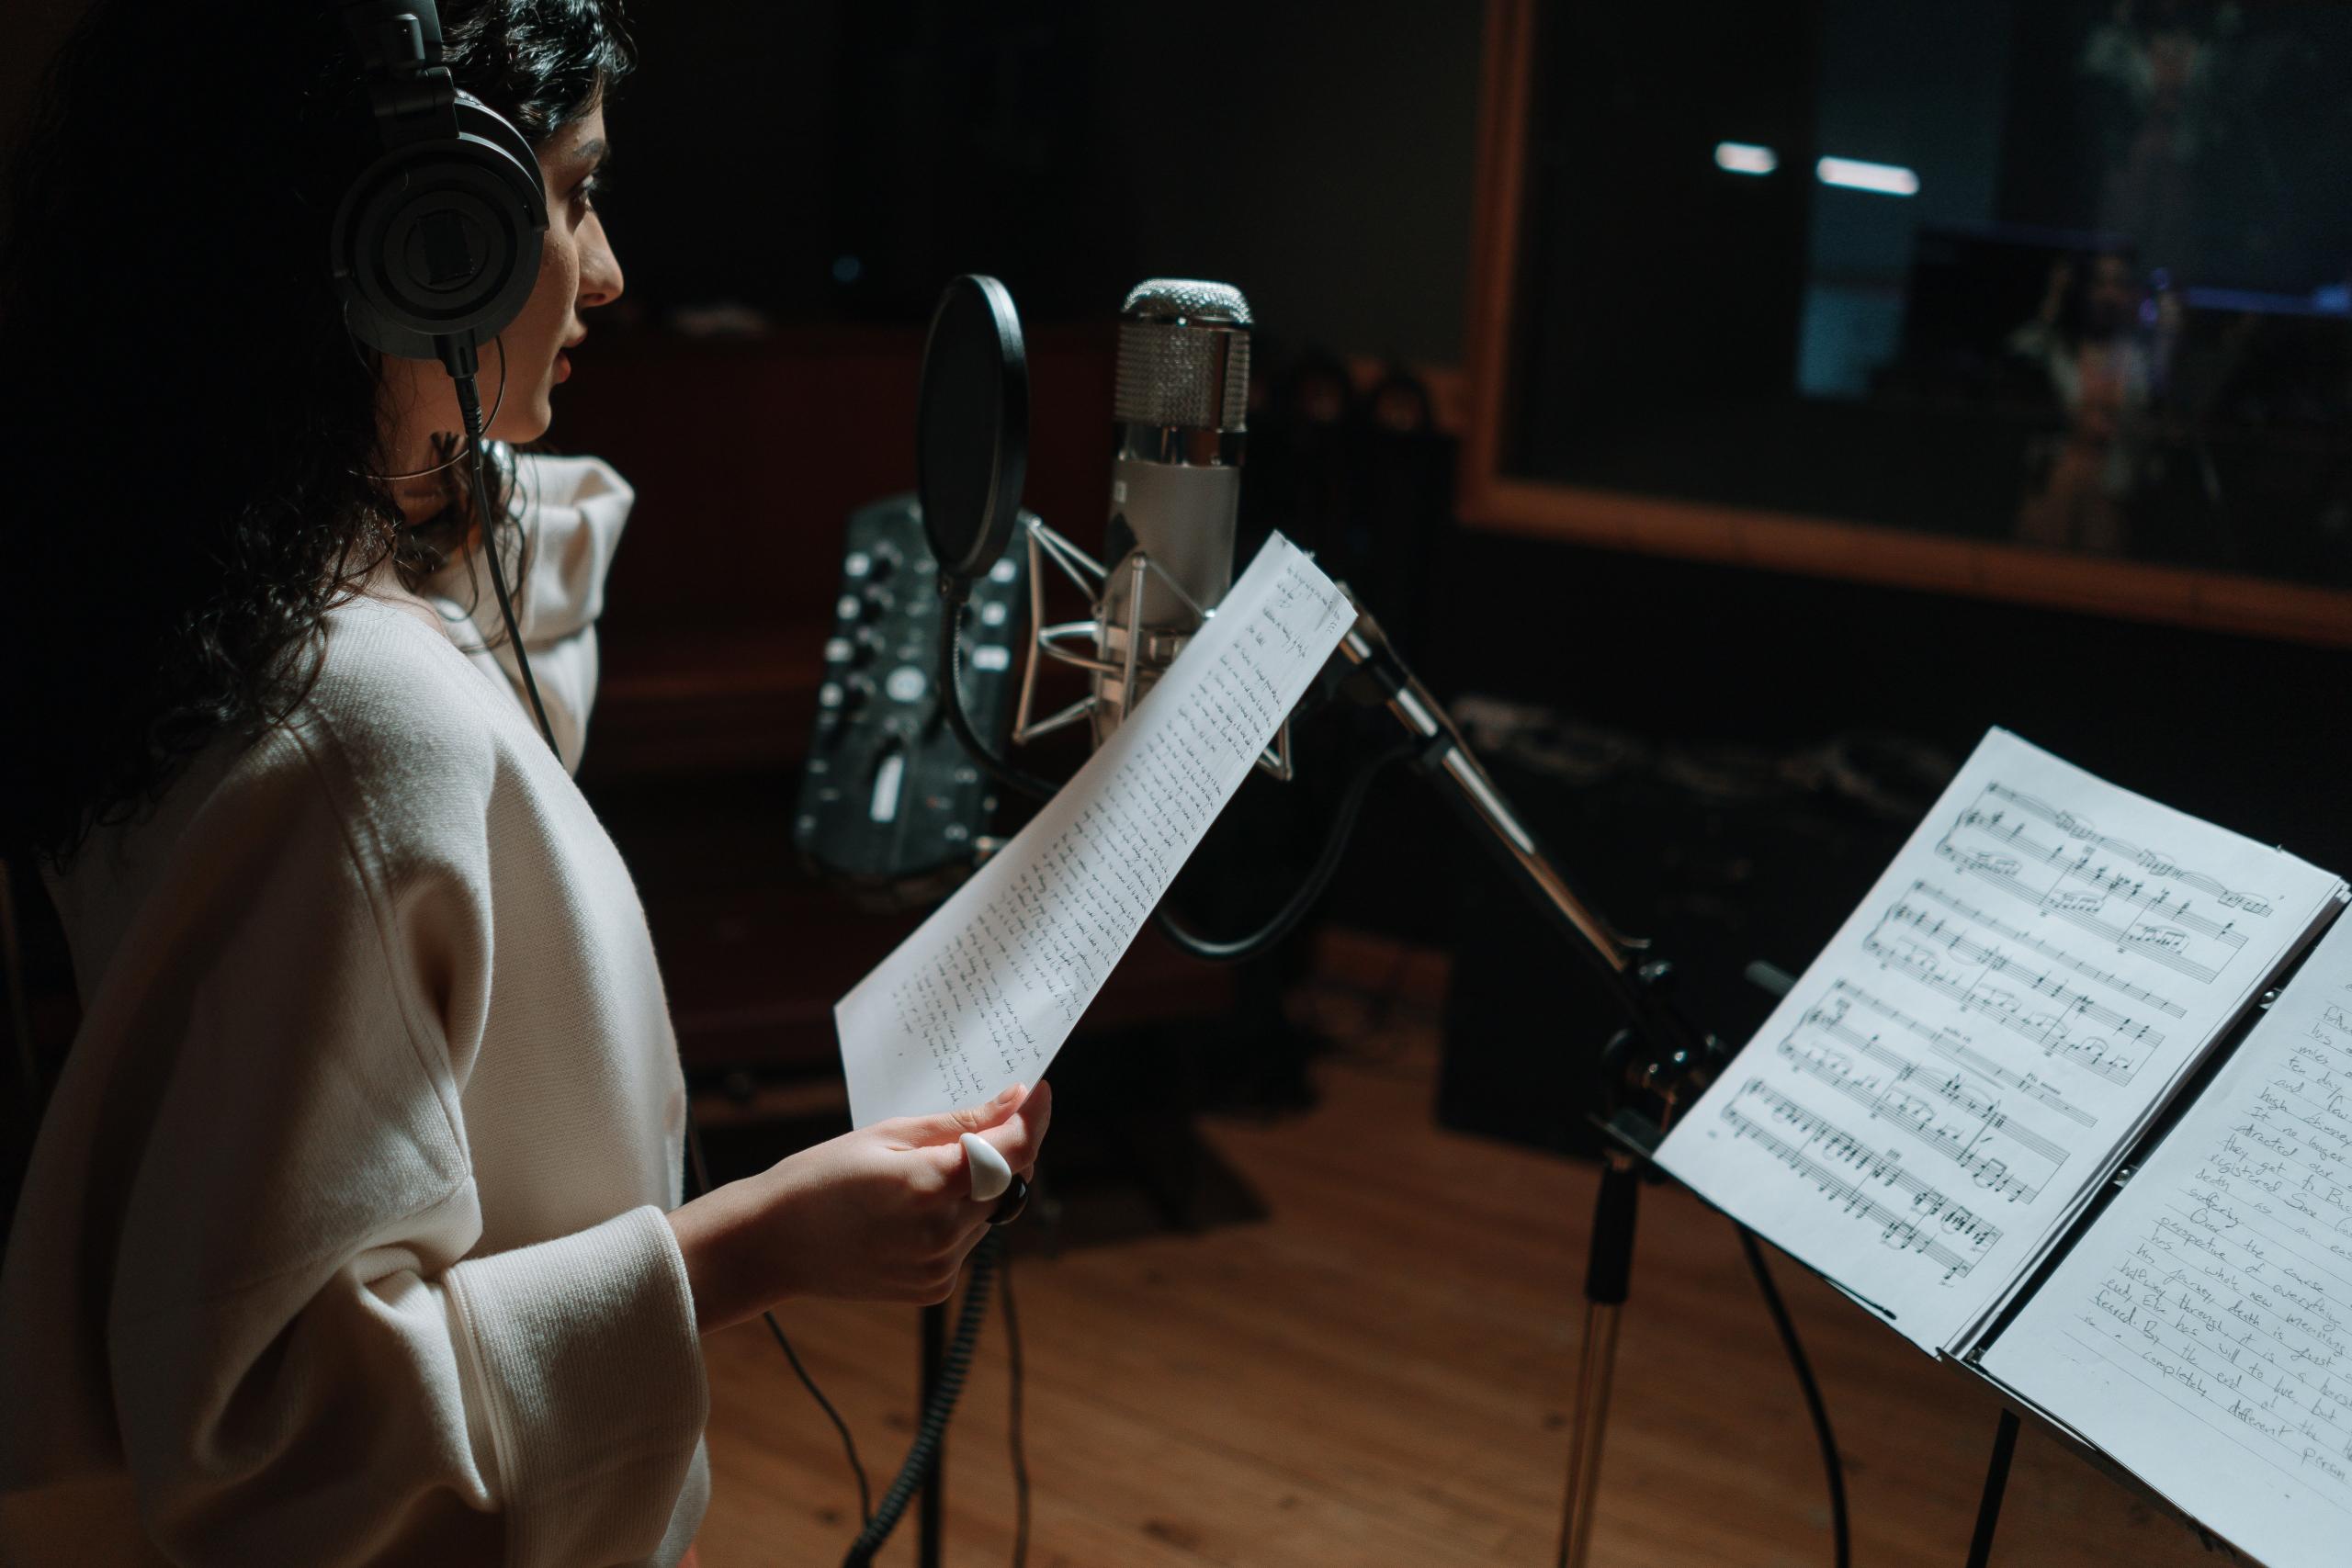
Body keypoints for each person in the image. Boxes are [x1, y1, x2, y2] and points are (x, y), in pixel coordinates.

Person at [0, 4, 1050, 1564]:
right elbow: (276, 1435)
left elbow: (497, 645)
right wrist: (752, 1244)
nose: (610, 271)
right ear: (429, 244)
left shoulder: (204, 593)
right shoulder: (355, 734)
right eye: (570, 193)